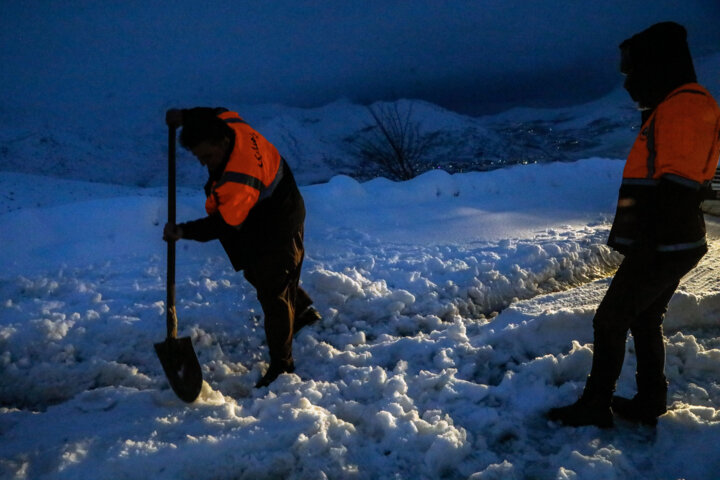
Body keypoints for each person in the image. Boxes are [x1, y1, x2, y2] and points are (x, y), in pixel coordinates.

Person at [548, 22, 720, 427]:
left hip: (665, 243)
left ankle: (595, 404)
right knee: (644, 317)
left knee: (609, 320)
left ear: (657, 65)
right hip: (674, 241)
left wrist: (646, 243)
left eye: (633, 70)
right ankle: (650, 399)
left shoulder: (683, 106)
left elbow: (676, 185)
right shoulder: (681, 103)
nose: (628, 81)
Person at [163, 107, 321, 388]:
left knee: (273, 293)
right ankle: (302, 310)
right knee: (258, 271)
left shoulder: (239, 177)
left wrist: (182, 231)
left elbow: (223, 224)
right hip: (262, 210)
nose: (203, 163)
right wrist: (186, 116)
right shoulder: (228, 124)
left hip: (279, 219)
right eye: (198, 158)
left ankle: (282, 367)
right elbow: (219, 111)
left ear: (222, 143)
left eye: (207, 156)